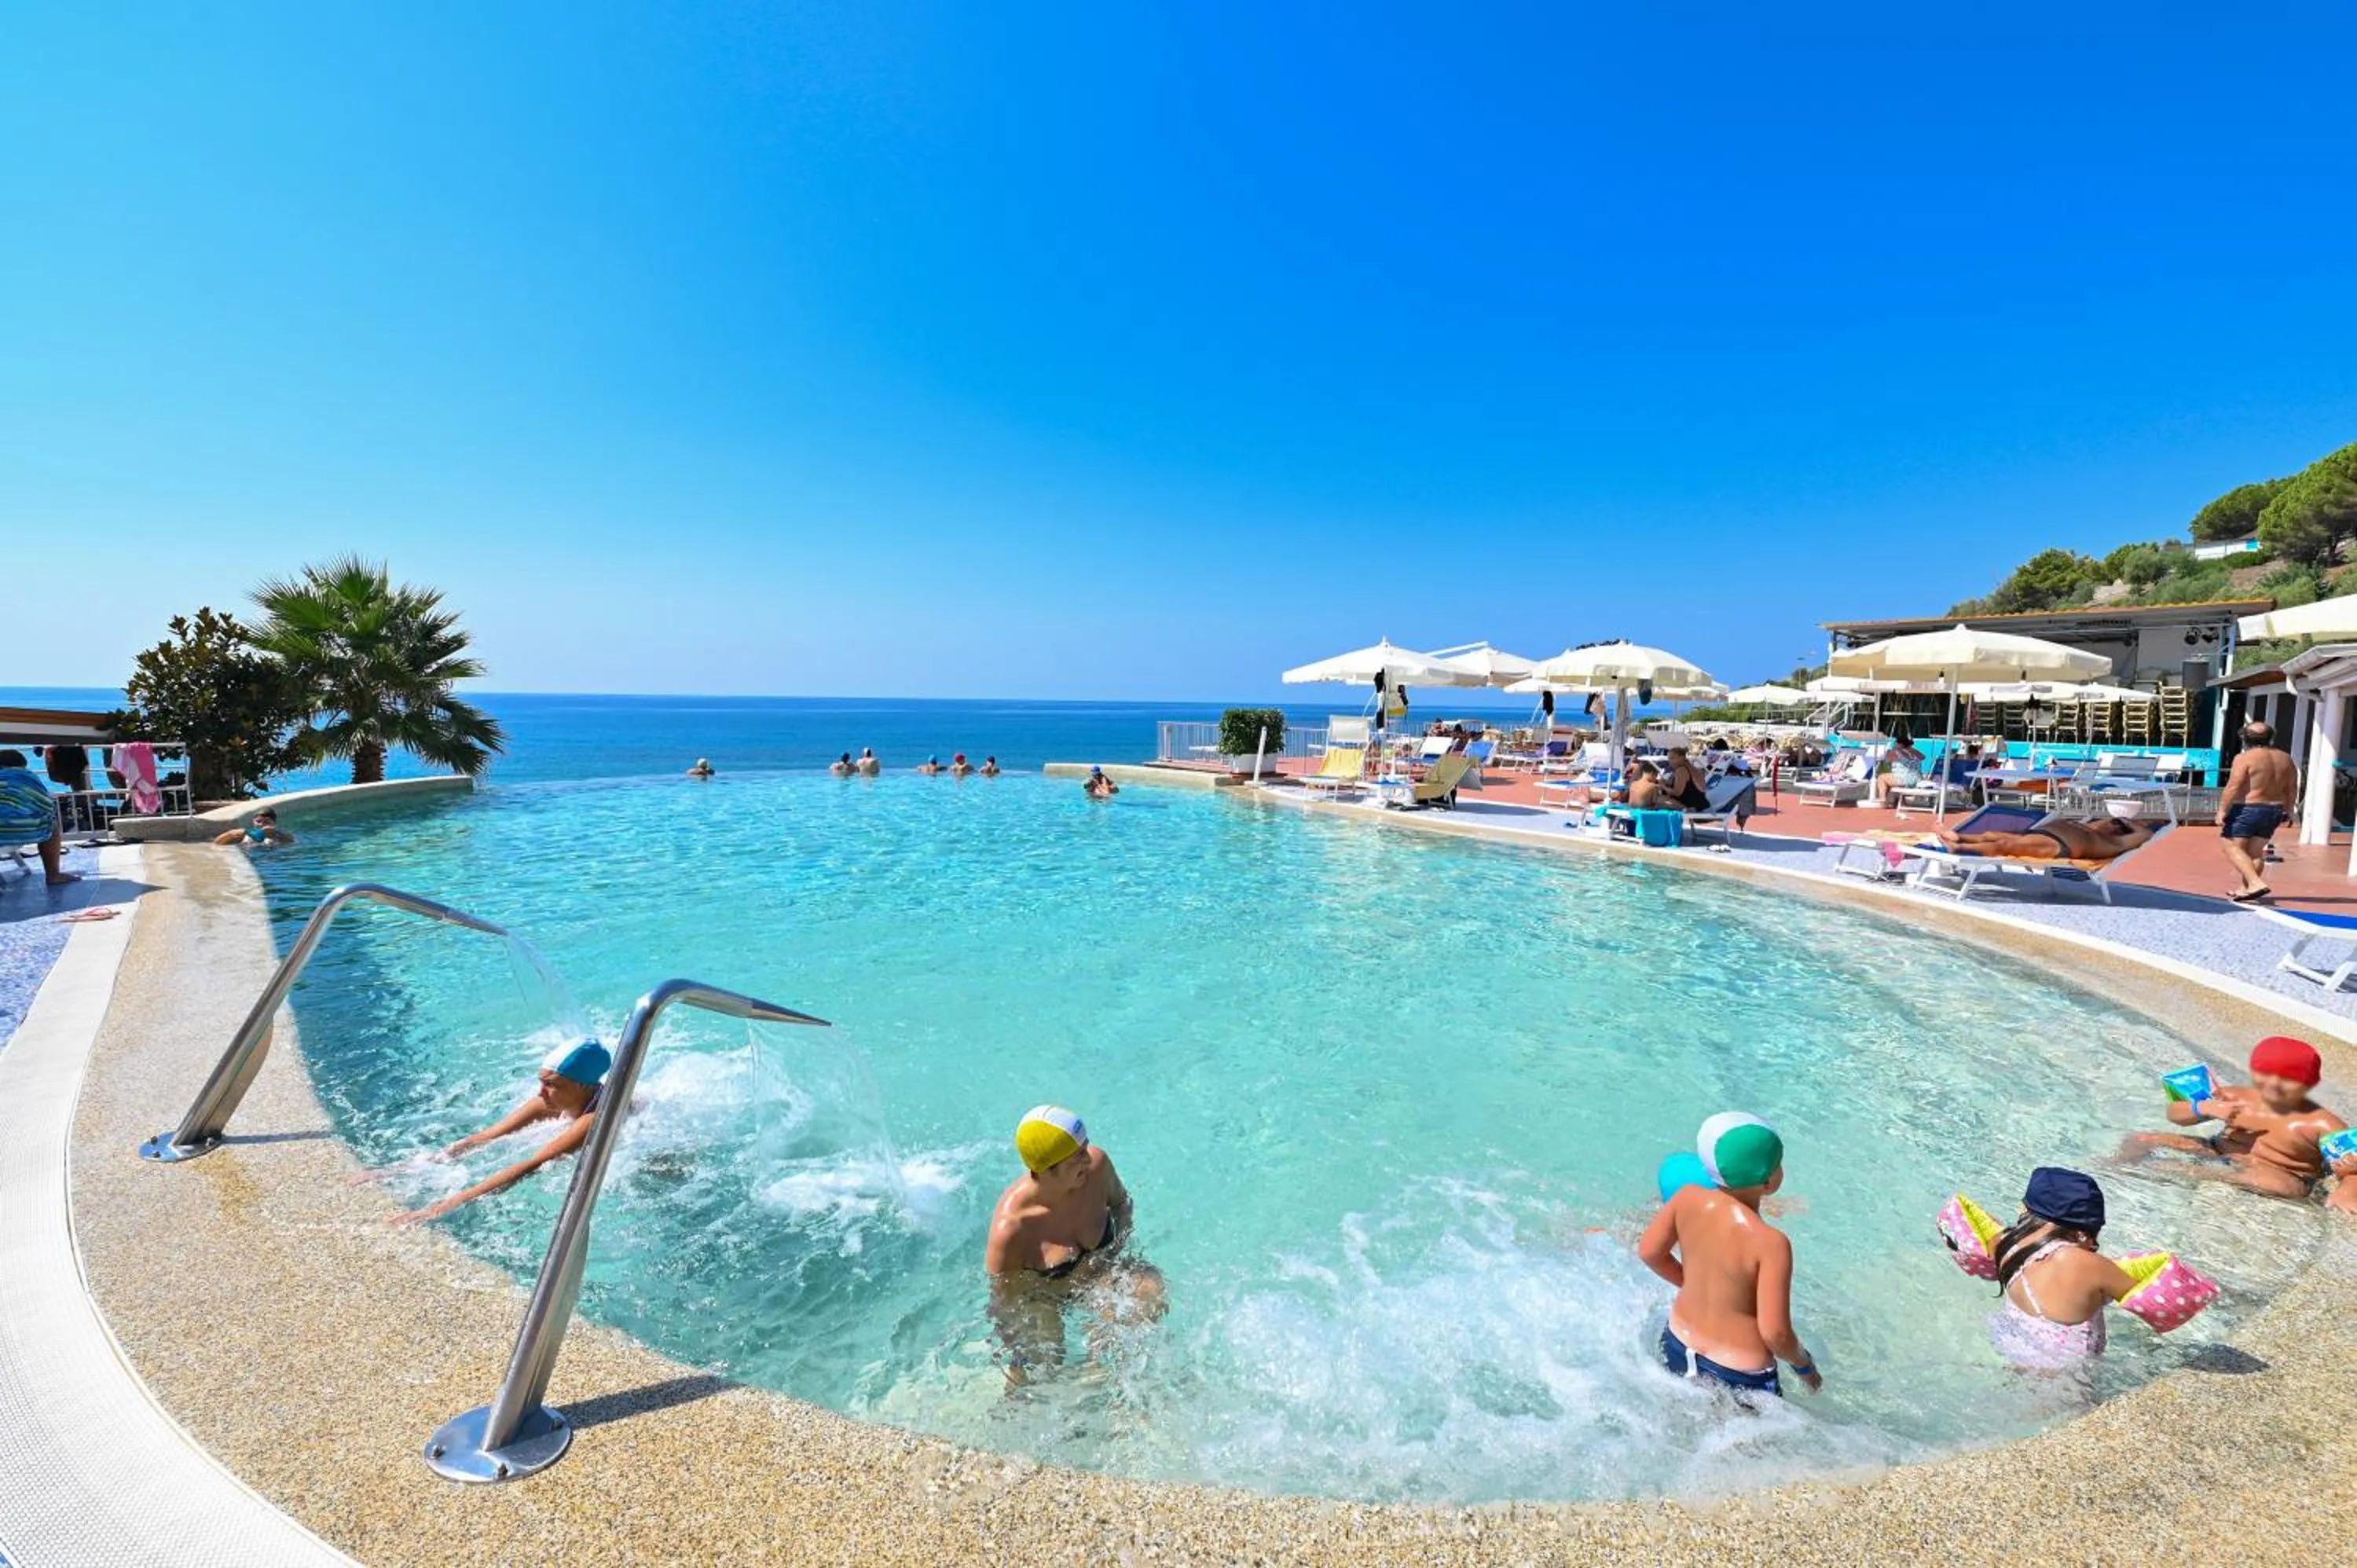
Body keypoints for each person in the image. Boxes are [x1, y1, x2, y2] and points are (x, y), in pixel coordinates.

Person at [1637, 1112, 1821, 1400]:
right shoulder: (1771, 1243)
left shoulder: (1685, 1198)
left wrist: (1692, 1284)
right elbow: (1776, 1333)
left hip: (1677, 1342)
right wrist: (1804, 1365)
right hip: (1739, 1373)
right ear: (1769, 1181)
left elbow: (1649, 1252)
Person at [984, 1105, 1165, 1380]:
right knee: (1040, 1366)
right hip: (1046, 1297)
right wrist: (1017, 1347)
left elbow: (1122, 1206)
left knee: (1148, 1290)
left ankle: (1100, 1376)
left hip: (1102, 1273)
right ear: (1045, 1170)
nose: (1087, 1159)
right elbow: (1004, 1301)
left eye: (1085, 1147)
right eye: (1077, 1156)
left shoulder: (1098, 1168)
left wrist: (1114, 1256)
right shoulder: (1012, 1229)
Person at [387, 1041, 614, 1225]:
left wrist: (442, 1208)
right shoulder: (550, 1101)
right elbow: (485, 1138)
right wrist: (402, 1169)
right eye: (541, 1082)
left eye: (551, 1085)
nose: (541, 1093)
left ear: (584, 1085)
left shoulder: (595, 1120)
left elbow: (533, 1165)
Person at [2117, 1035, 2345, 1200]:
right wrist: (2204, 1107)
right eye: (2265, 1074)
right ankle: (2115, 1167)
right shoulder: (2235, 1096)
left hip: (2281, 1173)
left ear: (2309, 1082)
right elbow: (2174, 1113)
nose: (2274, 1085)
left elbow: (2353, 1168)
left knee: (2275, 1184)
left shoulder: (2322, 1123)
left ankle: (2195, 1173)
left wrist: (2348, 1193)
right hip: (2217, 1151)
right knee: (2142, 1138)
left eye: (2288, 1079)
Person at [1981, 1168, 2139, 1371]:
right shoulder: (2082, 1263)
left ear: (2024, 1209)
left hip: (2015, 1346)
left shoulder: (2003, 1243)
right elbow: (2144, 1295)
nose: (2093, 1245)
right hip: (2066, 1375)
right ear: (2083, 1233)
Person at [2216, 720, 2298, 903]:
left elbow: (2233, 786)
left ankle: (2255, 883)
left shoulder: (2244, 758)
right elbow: (2292, 788)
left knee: (2231, 846)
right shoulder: (2285, 758)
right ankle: (2245, 889)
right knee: (2255, 852)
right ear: (2270, 738)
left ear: (2246, 738)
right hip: (2274, 810)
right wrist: (2289, 810)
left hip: (2248, 808)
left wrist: (2222, 810)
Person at [1935, 806, 2154, 862]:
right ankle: (1957, 836)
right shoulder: (2093, 827)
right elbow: (2103, 821)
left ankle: (1959, 848)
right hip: (2040, 833)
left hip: (2059, 845)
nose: (2110, 823)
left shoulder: (2114, 842)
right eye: (2113, 821)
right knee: (1992, 833)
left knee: (2004, 846)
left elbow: (2145, 834)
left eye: (2117, 824)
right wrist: (2113, 819)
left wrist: (2126, 821)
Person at [0, 749, 76, 885]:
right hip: (28, 831)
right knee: (52, 825)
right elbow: (46, 805)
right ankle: (53, 875)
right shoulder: (29, 779)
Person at [1872, 727, 1926, 806]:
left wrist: (1891, 750)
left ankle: (1883, 801)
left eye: (1896, 743)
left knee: (1882, 778)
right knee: (1891, 779)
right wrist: (1911, 749)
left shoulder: (1896, 752)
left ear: (1900, 744)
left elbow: (1887, 760)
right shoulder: (1914, 752)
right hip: (1917, 780)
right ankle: (1901, 802)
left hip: (1905, 780)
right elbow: (1923, 757)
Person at [213, 807, 295, 848]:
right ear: (253, 822)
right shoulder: (246, 835)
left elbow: (292, 842)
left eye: (266, 822)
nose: (262, 824)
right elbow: (216, 843)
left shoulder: (279, 835)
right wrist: (230, 834)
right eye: (258, 821)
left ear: (274, 823)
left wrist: (276, 832)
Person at [1661, 747, 1711, 811]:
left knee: (1657, 801)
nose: (1669, 761)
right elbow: (1673, 782)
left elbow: (1677, 793)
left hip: (1692, 806)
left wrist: (1663, 786)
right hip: (1700, 803)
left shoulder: (1681, 770)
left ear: (1682, 758)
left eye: (1672, 758)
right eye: (1669, 758)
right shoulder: (1690, 767)